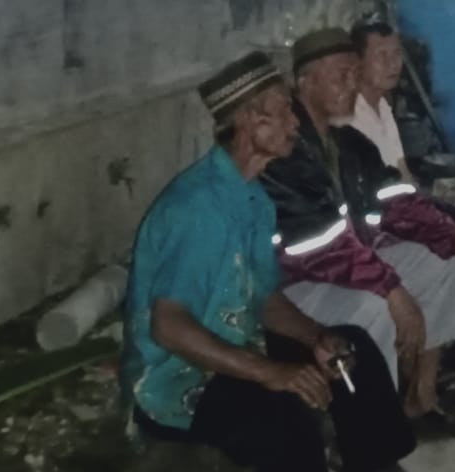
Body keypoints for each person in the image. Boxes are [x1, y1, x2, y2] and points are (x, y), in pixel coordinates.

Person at [122, 49, 415, 472]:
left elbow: (263, 297)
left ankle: (377, 465)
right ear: (249, 121)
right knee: (283, 416)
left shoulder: (255, 199)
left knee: (351, 350)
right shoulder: (196, 208)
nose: (295, 123)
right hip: (179, 378)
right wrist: (270, 372)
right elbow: (168, 327)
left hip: (235, 348)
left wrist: (315, 337)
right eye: (282, 111)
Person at [263, 27, 455, 422]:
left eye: (355, 74)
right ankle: (373, 427)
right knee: (376, 305)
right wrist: (392, 289)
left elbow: (399, 203)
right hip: (296, 281)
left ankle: (420, 396)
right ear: (305, 82)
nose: (353, 85)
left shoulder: (350, 144)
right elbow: (320, 248)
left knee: (445, 264)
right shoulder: (286, 151)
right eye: (341, 76)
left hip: (349, 265)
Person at [346, 15, 455, 261]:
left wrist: (430, 205)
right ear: (358, 63)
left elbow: (403, 172)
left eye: (396, 54)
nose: (392, 64)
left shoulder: (382, 107)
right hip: (383, 215)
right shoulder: (350, 117)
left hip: (404, 203)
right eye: (381, 56)